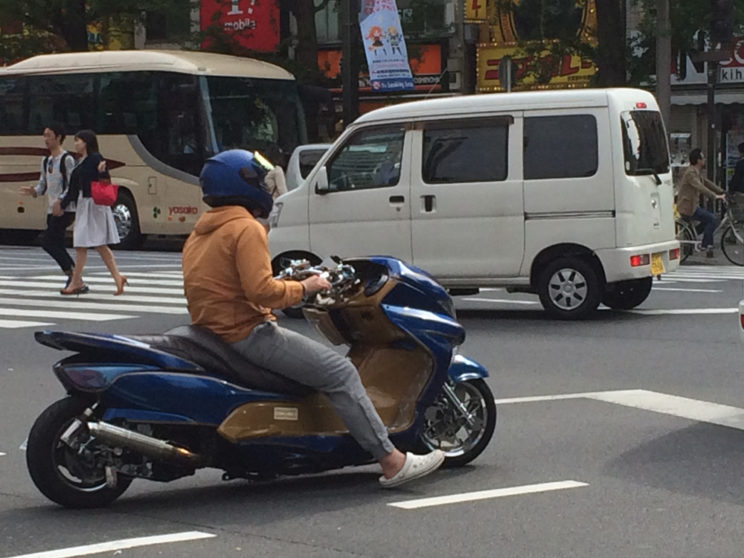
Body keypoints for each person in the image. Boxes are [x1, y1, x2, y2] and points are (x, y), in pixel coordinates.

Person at [181, 150, 445, 488]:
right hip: (247, 334)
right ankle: (392, 461)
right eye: (261, 181)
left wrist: (292, 281)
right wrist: (306, 286)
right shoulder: (245, 228)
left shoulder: (200, 233)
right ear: (243, 184)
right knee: (340, 373)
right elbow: (262, 291)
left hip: (213, 333)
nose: (267, 187)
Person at [54, 130, 128, 296]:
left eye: (78, 141)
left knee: (82, 244)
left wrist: (102, 172)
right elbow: (74, 188)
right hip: (85, 203)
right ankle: (117, 277)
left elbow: (105, 181)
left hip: (93, 204)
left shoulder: (95, 158)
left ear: (86, 142)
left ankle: (75, 283)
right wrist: (63, 204)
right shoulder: (82, 160)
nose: (76, 144)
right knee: (99, 244)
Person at [18, 124, 85, 291]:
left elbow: (72, 185)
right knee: (57, 243)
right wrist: (34, 191)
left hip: (65, 209)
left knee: (48, 241)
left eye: (49, 135)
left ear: (59, 137)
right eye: (44, 135)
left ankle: (74, 277)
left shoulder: (67, 159)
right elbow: (43, 184)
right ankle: (75, 279)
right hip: (52, 209)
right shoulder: (46, 160)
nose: (45, 139)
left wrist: (61, 202)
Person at [676, 148, 725, 255]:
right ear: (698, 160)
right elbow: (700, 187)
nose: (705, 159)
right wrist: (715, 196)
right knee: (712, 219)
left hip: (692, 205)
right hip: (687, 207)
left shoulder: (696, 171)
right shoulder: (691, 173)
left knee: (709, 220)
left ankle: (696, 238)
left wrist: (721, 191)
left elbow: (707, 183)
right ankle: (705, 245)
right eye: (703, 158)